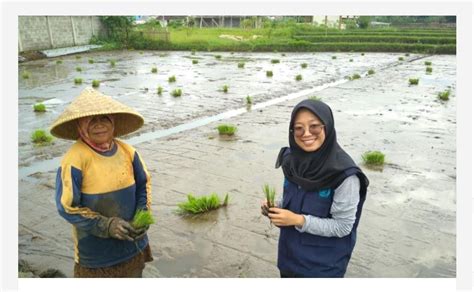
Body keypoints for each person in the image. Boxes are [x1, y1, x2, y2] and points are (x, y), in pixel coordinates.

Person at [51, 87, 153, 277]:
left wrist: (143, 213)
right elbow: (66, 207)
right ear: (81, 125)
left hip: (133, 244)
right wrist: (107, 225)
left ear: (113, 122)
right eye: (91, 120)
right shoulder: (75, 159)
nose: (99, 125)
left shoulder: (127, 151)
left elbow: (143, 185)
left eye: (104, 118)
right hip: (97, 255)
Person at [262, 99, 369, 278]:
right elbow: (293, 197)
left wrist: (297, 220)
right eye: (298, 128)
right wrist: (275, 206)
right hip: (289, 258)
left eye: (314, 126)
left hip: (322, 266)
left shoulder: (345, 175)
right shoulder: (291, 161)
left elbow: (343, 226)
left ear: (326, 126)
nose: (306, 134)